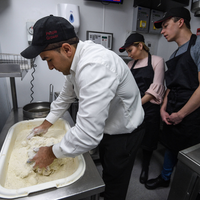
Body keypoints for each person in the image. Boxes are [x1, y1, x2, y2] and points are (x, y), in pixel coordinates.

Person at [20, 15, 145, 200]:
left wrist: (50, 152)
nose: (49, 67)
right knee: (108, 170)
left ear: (66, 49)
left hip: (124, 134)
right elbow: (65, 96)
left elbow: (88, 135)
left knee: (115, 181)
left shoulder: (95, 66)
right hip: (108, 128)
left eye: (48, 59)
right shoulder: (75, 62)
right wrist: (45, 124)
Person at [145, 7, 200, 190]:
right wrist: (163, 108)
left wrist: (182, 114)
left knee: (188, 153)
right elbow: (171, 86)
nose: (162, 31)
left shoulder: (197, 46)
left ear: (180, 22)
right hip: (173, 107)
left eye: (166, 26)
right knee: (170, 144)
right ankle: (165, 177)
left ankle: (184, 188)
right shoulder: (174, 54)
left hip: (191, 112)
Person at [119, 33, 165, 184]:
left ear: (140, 45)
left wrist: (135, 104)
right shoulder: (130, 65)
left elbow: (155, 89)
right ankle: (128, 164)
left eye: (130, 50)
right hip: (133, 107)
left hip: (150, 108)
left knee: (149, 138)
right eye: (127, 52)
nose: (129, 54)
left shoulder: (157, 61)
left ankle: (145, 167)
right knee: (131, 137)